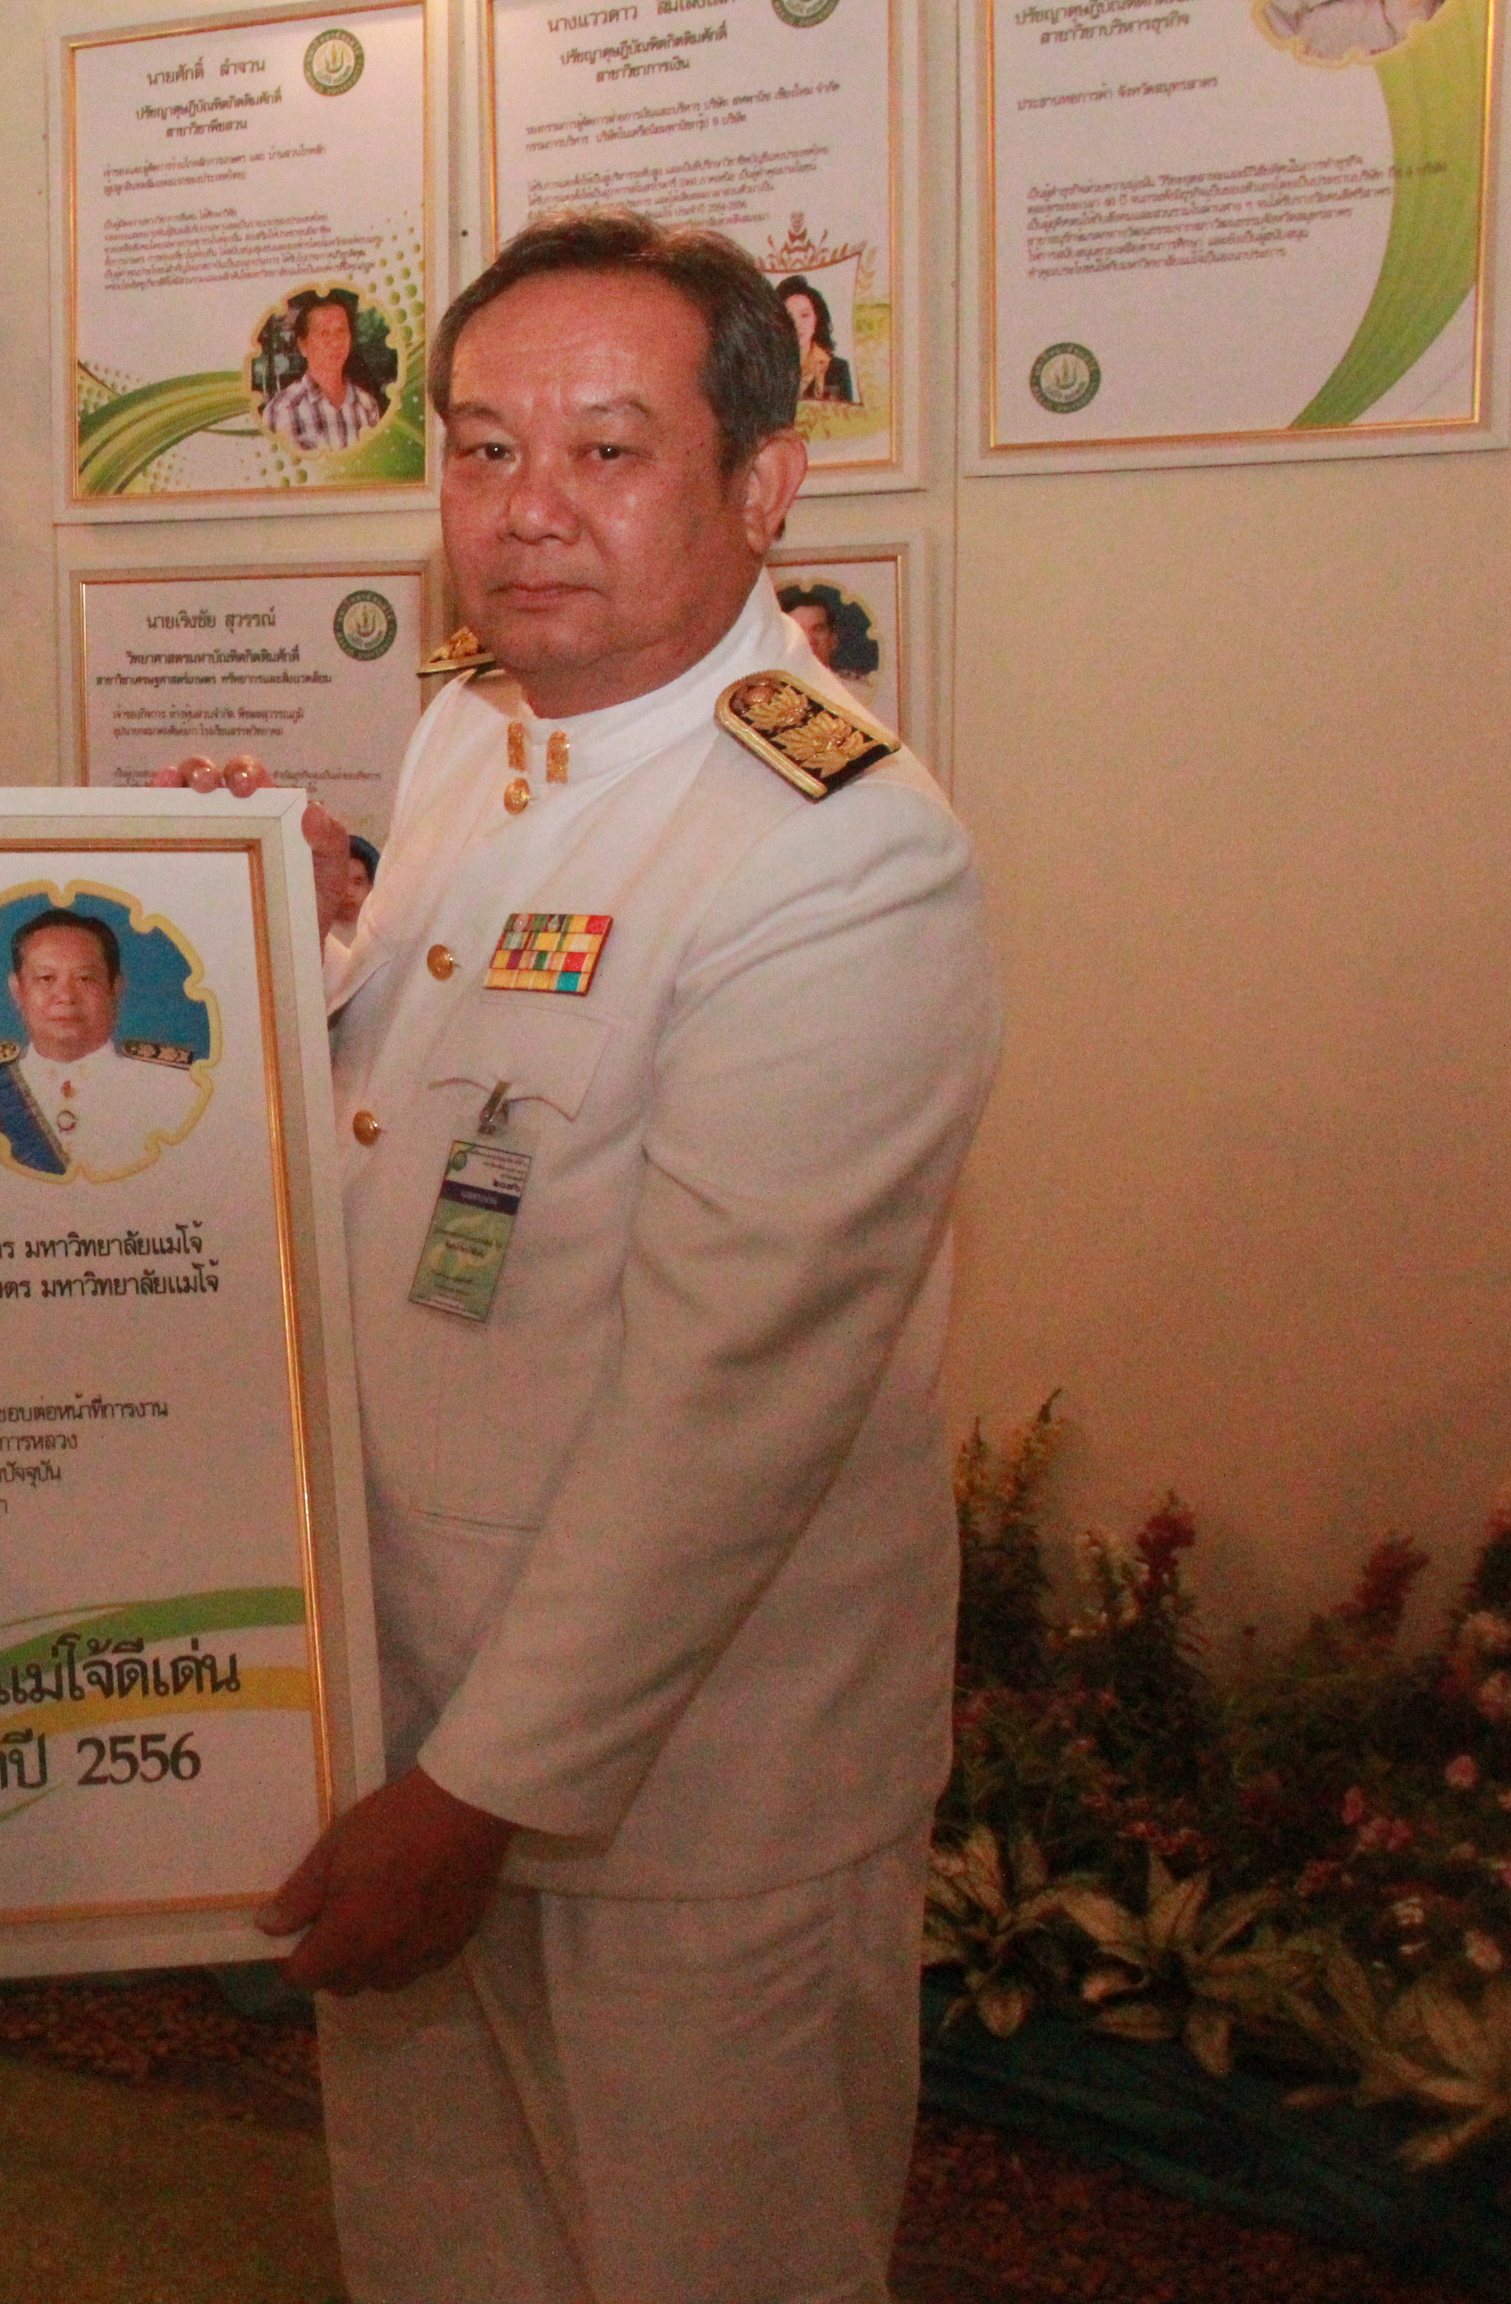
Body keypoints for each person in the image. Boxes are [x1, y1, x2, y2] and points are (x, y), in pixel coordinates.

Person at [170, 209, 999, 2303]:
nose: (526, 509)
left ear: (764, 483)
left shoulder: (838, 850)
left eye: (608, 451)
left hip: (685, 1790)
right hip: (416, 1695)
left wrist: (479, 1793)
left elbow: (728, 1407)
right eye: (480, 448)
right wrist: (307, 937)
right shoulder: (483, 726)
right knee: (444, 2251)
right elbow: (441, 1118)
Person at [0, 907, 201, 1180]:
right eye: (46, 978)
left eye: (84, 978)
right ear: (17, 990)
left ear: (115, 987)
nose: (66, 996)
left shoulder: (177, 1087)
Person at [263, 288, 389, 453]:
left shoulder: (367, 406)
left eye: (341, 331)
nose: (335, 342)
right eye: (323, 333)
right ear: (303, 345)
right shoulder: (281, 411)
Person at [779, 274, 858, 407]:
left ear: (817, 319)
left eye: (805, 315)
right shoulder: (766, 368)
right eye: (789, 317)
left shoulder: (837, 369)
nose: (797, 324)